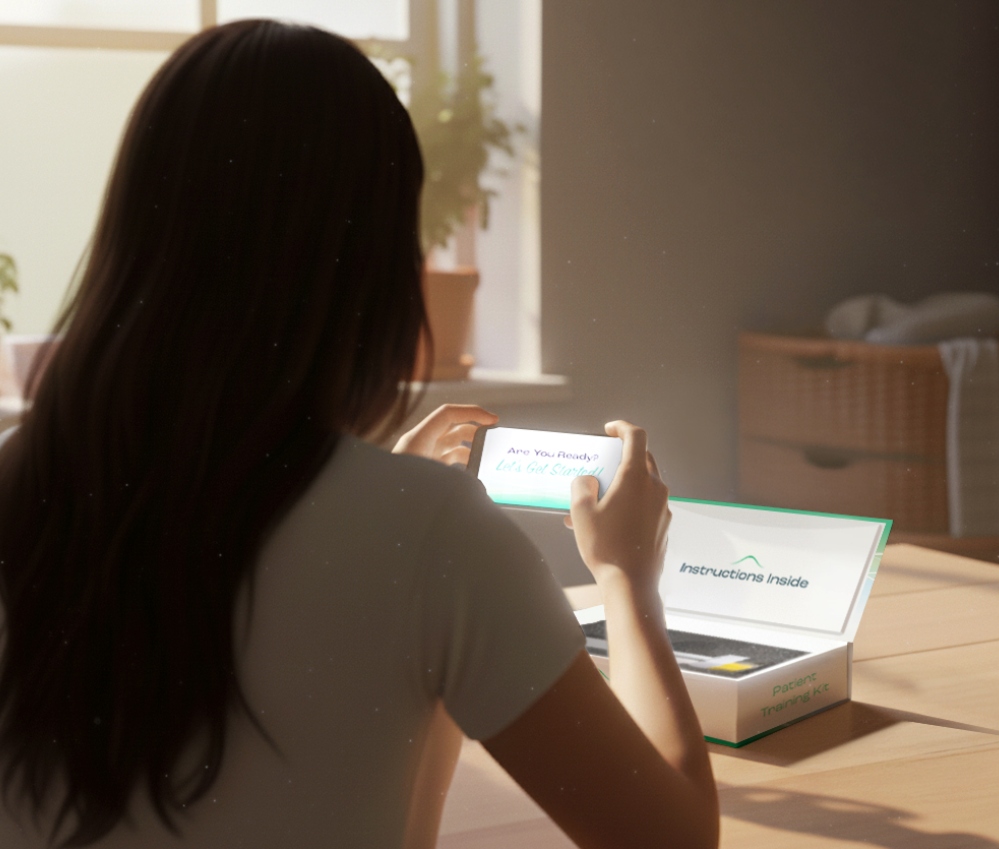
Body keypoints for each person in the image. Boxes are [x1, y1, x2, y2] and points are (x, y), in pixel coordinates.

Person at [0, 19, 718, 849]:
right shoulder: (434, 539)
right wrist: (627, 582)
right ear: (366, 264)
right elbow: (673, 843)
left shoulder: (21, 478)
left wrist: (391, 510)